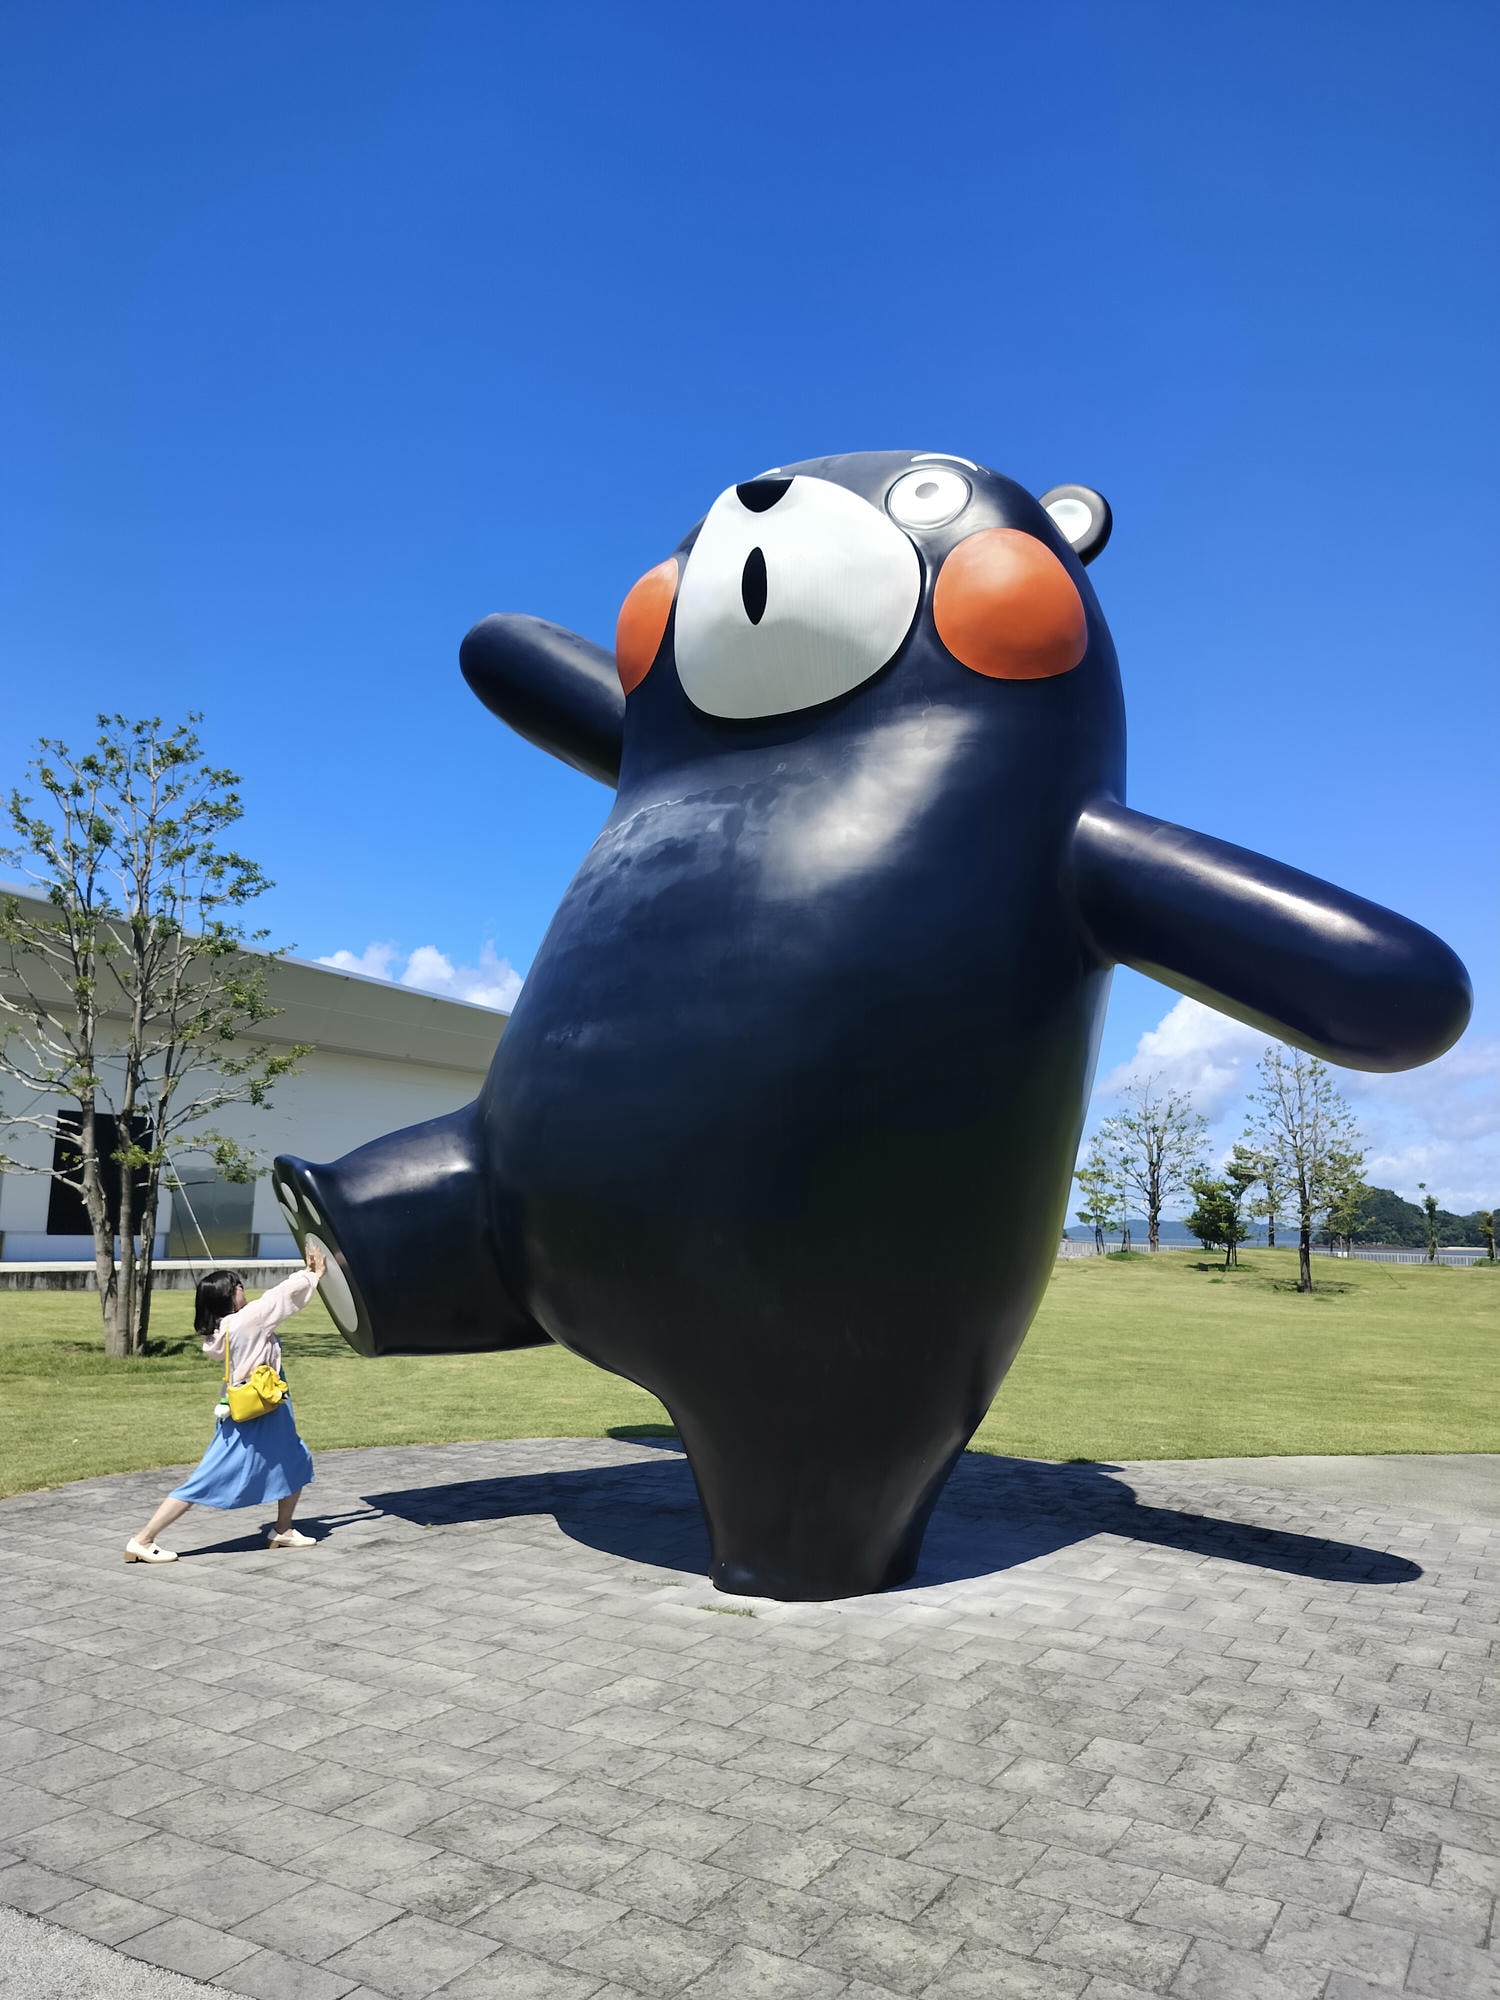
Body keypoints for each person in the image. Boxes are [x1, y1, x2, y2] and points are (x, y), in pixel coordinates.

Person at [124, 1241, 327, 1563]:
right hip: (258, 1411)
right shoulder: (247, 1321)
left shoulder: (221, 1329)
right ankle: (143, 1540)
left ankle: (283, 1530)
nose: (243, 1289)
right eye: (238, 1286)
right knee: (205, 1479)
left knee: (295, 1460)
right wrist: (311, 1273)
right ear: (228, 1295)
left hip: (262, 1408)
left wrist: (307, 1273)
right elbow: (279, 1298)